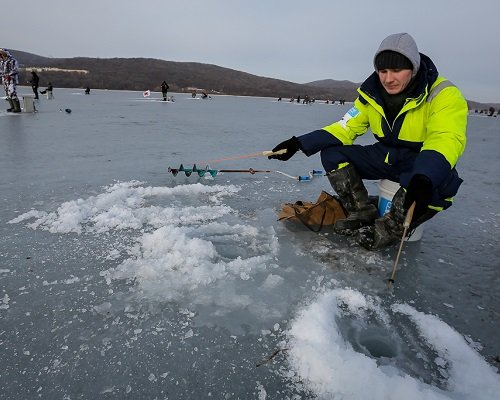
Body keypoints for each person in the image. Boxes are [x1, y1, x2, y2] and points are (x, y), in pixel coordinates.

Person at [268, 33, 468, 250]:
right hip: (386, 156)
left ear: (414, 68)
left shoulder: (443, 94)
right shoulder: (371, 94)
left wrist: (425, 177)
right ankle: (361, 211)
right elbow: (346, 126)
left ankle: (392, 226)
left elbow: (445, 138)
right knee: (333, 153)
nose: (388, 79)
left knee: (436, 181)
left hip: (420, 160)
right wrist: (300, 143)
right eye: (383, 71)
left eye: (397, 70)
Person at [0, 48, 21, 113]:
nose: (1, 55)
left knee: (12, 92)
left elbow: (16, 69)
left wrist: (9, 75)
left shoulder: (12, 61)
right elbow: (1, 71)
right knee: (7, 93)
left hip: (11, 79)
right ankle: (12, 107)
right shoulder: (2, 62)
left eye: (2, 53)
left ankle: (17, 108)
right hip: (5, 80)